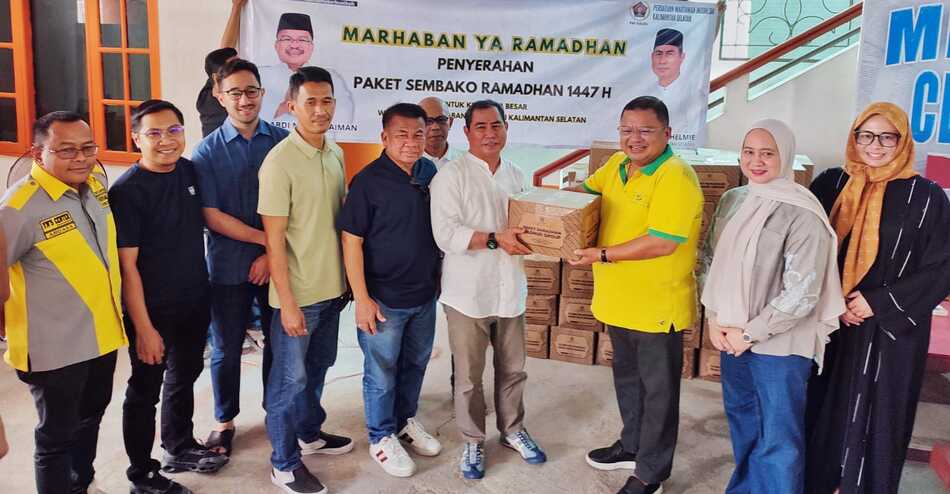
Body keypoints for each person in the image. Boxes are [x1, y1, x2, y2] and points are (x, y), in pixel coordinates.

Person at [805, 102, 950, 494]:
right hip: (831, 322)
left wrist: (879, 302)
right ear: (854, 138)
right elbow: (806, 249)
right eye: (866, 135)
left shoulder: (927, 197)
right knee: (823, 407)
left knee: (879, 416)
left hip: (890, 331)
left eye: (887, 137)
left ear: (903, 141)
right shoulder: (831, 184)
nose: (875, 145)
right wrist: (834, 301)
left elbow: (942, 266)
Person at [700, 119, 845, 494]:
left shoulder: (802, 212)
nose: (756, 161)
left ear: (786, 157)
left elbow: (803, 291)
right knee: (744, 422)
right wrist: (714, 319)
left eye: (768, 153)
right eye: (749, 152)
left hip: (779, 346)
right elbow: (711, 261)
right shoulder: (735, 200)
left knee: (779, 437)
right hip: (732, 337)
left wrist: (749, 334)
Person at [574, 96, 703, 494]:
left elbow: (662, 241)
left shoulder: (675, 176)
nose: (635, 138)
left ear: (667, 133)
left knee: (658, 392)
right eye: (627, 130)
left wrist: (602, 254)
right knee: (628, 381)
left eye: (646, 130)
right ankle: (632, 445)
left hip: (656, 306)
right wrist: (550, 207)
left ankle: (651, 473)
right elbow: (583, 196)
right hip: (619, 301)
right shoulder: (617, 165)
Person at [0, 111, 126, 494]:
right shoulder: (17, 209)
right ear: (38, 153)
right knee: (55, 439)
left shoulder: (96, 186)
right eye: (66, 150)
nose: (81, 158)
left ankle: (80, 484)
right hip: (52, 350)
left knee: (90, 419)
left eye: (88, 148)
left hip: (101, 337)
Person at [110, 100, 228, 494]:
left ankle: (178, 445)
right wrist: (144, 328)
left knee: (184, 374)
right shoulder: (127, 191)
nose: (166, 140)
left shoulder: (189, 171)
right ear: (136, 138)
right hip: (152, 309)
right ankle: (141, 475)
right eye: (154, 133)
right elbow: (128, 268)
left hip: (193, 299)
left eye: (174, 130)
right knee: (144, 391)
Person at [430, 99, 547, 480]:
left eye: (496, 125)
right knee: (468, 378)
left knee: (513, 370)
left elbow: (529, 227)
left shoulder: (516, 174)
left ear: (506, 128)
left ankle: (513, 430)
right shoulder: (451, 176)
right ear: (466, 132)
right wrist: (496, 239)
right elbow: (445, 235)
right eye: (480, 127)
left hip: (510, 289)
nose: (489, 133)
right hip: (468, 294)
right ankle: (472, 439)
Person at [258, 66, 353, 494]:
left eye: (326, 100)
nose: (320, 110)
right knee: (287, 382)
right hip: (298, 296)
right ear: (292, 106)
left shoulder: (335, 152)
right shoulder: (279, 162)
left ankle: (309, 433)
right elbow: (274, 241)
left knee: (318, 368)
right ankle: (283, 463)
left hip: (333, 291)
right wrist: (288, 303)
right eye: (310, 101)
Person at [191, 58, 290, 457]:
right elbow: (211, 215)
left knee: (279, 345)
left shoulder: (283, 142)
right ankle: (224, 420)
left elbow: (294, 204)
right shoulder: (206, 152)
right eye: (235, 92)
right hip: (228, 266)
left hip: (278, 264)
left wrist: (270, 254)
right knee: (226, 347)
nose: (245, 100)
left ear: (262, 93)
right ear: (220, 96)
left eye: (251, 91)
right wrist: (266, 242)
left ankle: (276, 412)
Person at [338, 103, 442, 478]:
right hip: (384, 300)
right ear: (384, 137)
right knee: (381, 372)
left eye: (418, 134)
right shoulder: (367, 182)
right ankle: (381, 436)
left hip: (424, 295)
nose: (411, 142)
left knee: (415, 364)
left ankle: (403, 422)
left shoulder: (429, 172)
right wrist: (362, 298)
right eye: (402, 135)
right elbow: (351, 241)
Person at [258, 12, 355, 128]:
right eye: (287, 39)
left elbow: (344, 119)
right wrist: (283, 108)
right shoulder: (259, 76)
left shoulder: (331, 78)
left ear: (311, 47)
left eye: (302, 40)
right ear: (276, 45)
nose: (294, 45)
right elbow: (250, 121)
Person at [644, 28, 706, 146]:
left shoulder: (694, 94)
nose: (662, 61)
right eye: (658, 54)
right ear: (652, 57)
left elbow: (694, 134)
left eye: (670, 54)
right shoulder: (644, 92)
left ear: (681, 57)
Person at [196, 1, 244, 137]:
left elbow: (226, 47)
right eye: (234, 66)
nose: (241, 66)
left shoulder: (216, 75)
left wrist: (236, 6)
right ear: (217, 77)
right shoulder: (216, 98)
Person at [418, 96, 461, 170]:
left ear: (450, 123)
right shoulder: (407, 162)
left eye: (441, 120)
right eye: (428, 121)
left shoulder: (465, 161)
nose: (435, 127)